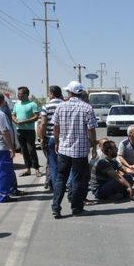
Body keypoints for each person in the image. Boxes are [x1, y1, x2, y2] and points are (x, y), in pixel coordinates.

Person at [51, 81, 97, 218]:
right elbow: (91, 130)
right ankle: (76, 208)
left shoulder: (61, 107)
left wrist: (57, 142)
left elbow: (55, 127)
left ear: (69, 92)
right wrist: (93, 146)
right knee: (78, 180)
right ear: (80, 92)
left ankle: (56, 207)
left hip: (64, 150)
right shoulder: (87, 108)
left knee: (61, 178)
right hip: (80, 151)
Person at [12, 86, 41, 177]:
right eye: (18, 93)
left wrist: (24, 122)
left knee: (31, 150)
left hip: (29, 131)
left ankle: (36, 169)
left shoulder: (32, 104)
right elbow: (13, 115)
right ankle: (28, 169)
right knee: (24, 151)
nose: (18, 95)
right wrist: (15, 120)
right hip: (19, 131)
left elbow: (36, 117)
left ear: (26, 94)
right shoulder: (17, 104)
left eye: (20, 94)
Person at [40, 85, 63, 190]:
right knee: (64, 163)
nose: (48, 95)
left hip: (51, 138)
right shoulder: (65, 105)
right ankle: (65, 184)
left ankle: (56, 186)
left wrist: (42, 138)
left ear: (52, 94)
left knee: (53, 164)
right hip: (64, 138)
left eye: (49, 93)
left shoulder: (46, 106)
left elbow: (43, 123)